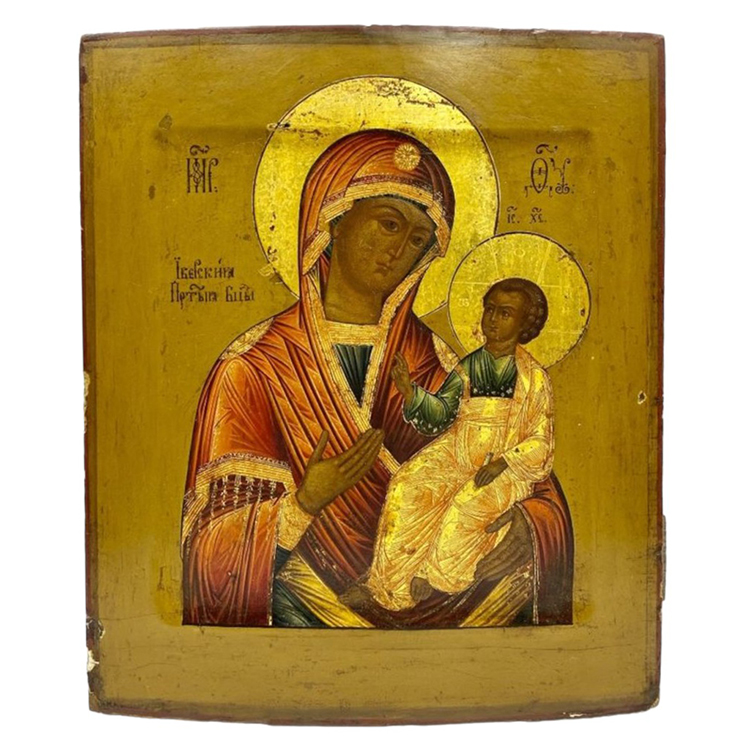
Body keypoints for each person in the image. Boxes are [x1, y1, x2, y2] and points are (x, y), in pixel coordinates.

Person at [180, 129, 573, 628]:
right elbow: (211, 558)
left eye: (417, 240)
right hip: (307, 613)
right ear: (333, 220)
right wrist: (302, 505)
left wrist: (528, 527)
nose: (399, 250)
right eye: (388, 223)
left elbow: (527, 467)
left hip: (449, 596)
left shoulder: (437, 359)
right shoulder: (253, 367)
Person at [358, 278, 554, 611]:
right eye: (489, 309)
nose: (492, 319)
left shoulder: (533, 378)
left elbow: (541, 439)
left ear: (524, 324)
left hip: (505, 466)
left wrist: (502, 462)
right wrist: (410, 392)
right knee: (408, 486)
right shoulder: (469, 366)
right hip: (457, 452)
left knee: (466, 503)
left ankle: (435, 577)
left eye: (504, 313)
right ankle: (386, 586)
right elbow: (442, 414)